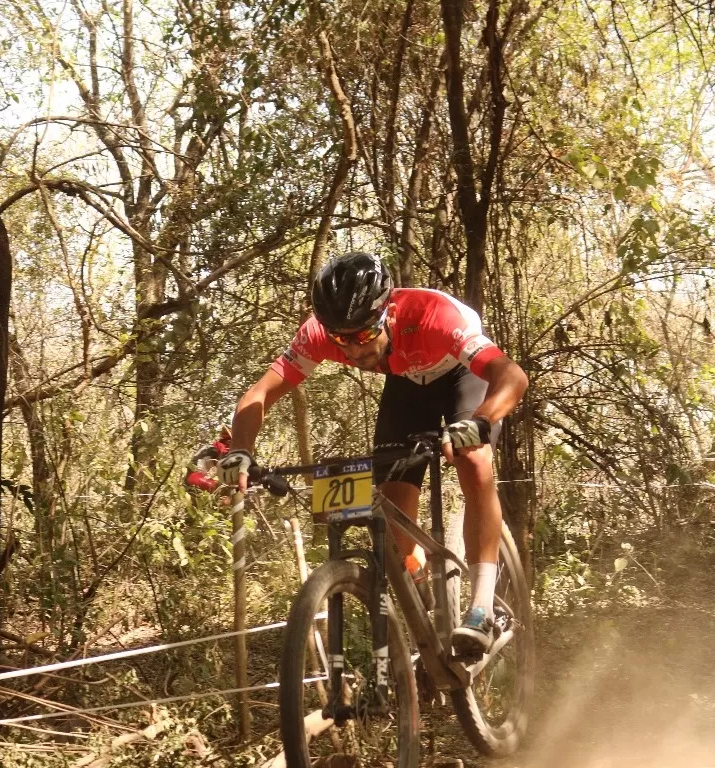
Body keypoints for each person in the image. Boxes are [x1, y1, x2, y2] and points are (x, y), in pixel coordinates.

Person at [217, 253, 528, 656]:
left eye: (363, 336)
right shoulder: (320, 334)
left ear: (389, 314)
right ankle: (421, 596)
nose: (352, 349)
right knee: (394, 498)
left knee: (472, 459)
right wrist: (240, 450)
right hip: (404, 381)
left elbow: (512, 375)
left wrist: (480, 421)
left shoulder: (434, 318)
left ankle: (481, 607)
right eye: (340, 338)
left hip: (459, 375)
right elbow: (259, 394)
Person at [185, 424, 233, 495]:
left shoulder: (220, 447)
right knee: (219, 487)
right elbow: (210, 465)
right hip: (195, 477)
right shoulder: (216, 447)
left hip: (198, 480)